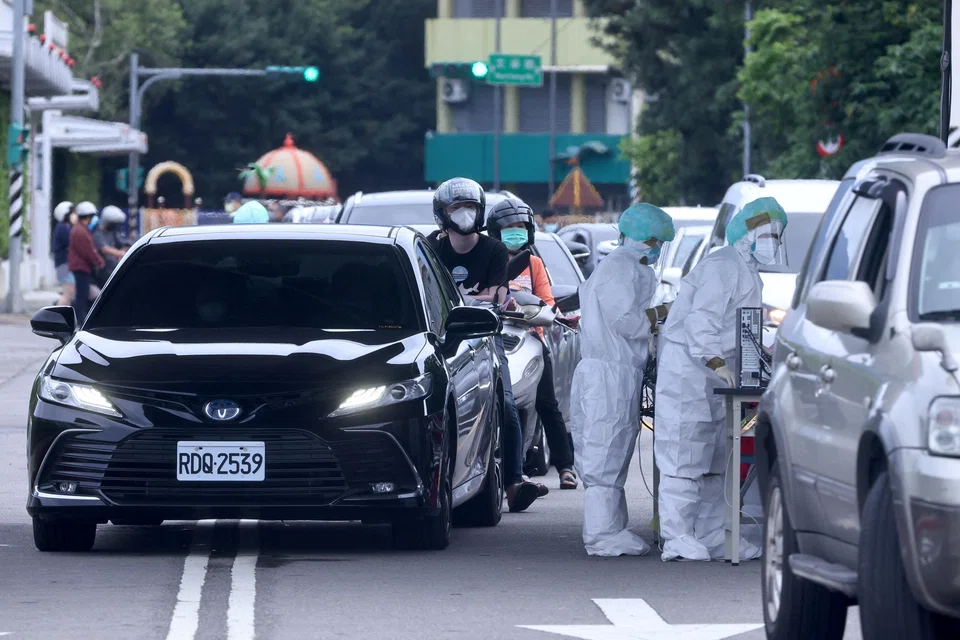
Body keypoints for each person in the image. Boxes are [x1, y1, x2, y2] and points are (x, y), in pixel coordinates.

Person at [654, 196, 787, 562]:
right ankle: (677, 537)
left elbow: (741, 328)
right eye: (767, 234)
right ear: (747, 233)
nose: (772, 242)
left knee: (715, 460)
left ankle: (712, 535)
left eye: (777, 235)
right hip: (691, 374)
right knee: (684, 458)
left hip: (717, 378)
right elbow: (702, 322)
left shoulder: (747, 273)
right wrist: (716, 361)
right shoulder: (722, 267)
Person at [426, 177, 540, 513]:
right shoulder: (432, 248)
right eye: (456, 208)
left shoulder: (494, 250)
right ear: (442, 214)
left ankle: (515, 481)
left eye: (470, 208)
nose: (463, 215)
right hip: (443, 341)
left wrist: (463, 298)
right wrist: (478, 296)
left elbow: (499, 296)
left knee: (503, 403)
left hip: (485, 339)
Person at [570, 203, 675, 557]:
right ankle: (601, 536)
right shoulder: (620, 268)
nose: (659, 247)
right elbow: (628, 322)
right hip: (608, 373)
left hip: (613, 371)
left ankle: (610, 529)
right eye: (657, 240)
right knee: (606, 453)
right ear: (647, 237)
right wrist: (665, 313)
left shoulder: (626, 267)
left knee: (610, 451)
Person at [486, 197, 579, 491]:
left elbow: (547, 301)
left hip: (530, 340)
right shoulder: (488, 263)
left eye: (520, 227)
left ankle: (565, 467)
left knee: (548, 405)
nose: (515, 232)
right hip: (493, 340)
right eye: (508, 228)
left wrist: (534, 312)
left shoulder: (534, 264)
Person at [67, 201, 105, 322]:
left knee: (83, 294)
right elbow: (88, 251)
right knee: (82, 296)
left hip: (81, 267)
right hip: (81, 267)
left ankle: (80, 317)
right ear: (88, 216)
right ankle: (79, 319)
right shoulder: (80, 231)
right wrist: (99, 262)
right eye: (91, 217)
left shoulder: (80, 229)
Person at [92, 205, 130, 287]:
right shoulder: (97, 233)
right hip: (102, 270)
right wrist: (121, 253)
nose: (115, 226)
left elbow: (121, 243)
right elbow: (104, 249)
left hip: (113, 268)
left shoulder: (112, 232)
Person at [52, 201, 75, 306]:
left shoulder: (65, 227)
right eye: (71, 213)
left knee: (69, 293)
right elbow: (71, 244)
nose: (74, 215)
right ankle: (55, 316)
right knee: (68, 293)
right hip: (64, 264)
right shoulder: (62, 228)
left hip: (63, 264)